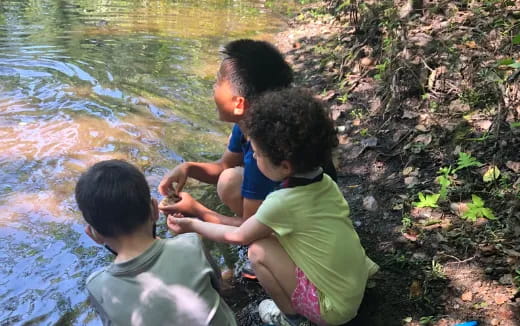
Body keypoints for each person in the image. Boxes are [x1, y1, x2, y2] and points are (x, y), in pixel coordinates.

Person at [166, 88, 379, 326]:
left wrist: (193, 224)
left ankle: (291, 318)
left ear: (285, 166)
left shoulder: (282, 202)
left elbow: (238, 235)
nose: (254, 160)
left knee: (257, 251)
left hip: (334, 310)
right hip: (355, 280)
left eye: (256, 154)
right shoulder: (324, 182)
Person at [158, 39, 337, 226]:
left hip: (305, 226)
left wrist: (196, 211)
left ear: (239, 104)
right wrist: (188, 168)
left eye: (218, 81)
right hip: (314, 203)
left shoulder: (265, 156)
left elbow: (246, 226)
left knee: (230, 183)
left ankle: (279, 244)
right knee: (229, 176)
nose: (213, 87)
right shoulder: (254, 123)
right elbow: (225, 165)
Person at [75, 160, 237, 326]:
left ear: (93, 234)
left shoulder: (97, 286)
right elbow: (218, 286)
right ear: (154, 209)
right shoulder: (190, 244)